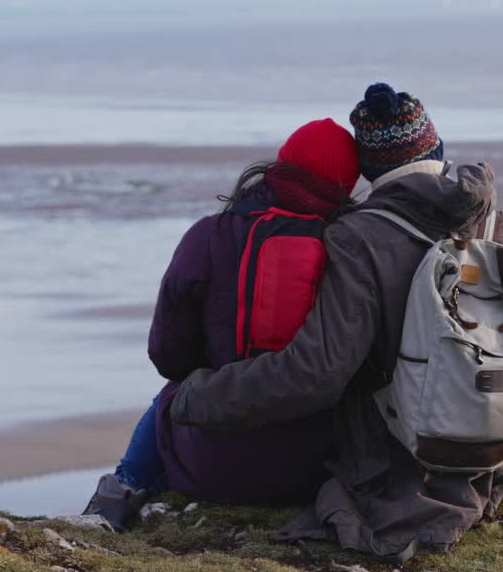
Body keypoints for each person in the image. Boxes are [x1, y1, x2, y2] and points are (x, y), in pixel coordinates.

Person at [169, 84, 503, 564]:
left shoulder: (359, 239)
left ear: (370, 173)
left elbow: (315, 374)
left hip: (403, 461)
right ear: (437, 150)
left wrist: (199, 395)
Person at [83, 119, 360, 531]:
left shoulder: (209, 235)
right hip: (317, 469)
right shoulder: (351, 248)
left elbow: (168, 354)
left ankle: (118, 498)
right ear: (345, 188)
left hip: (210, 464)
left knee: (171, 395)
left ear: (280, 165)